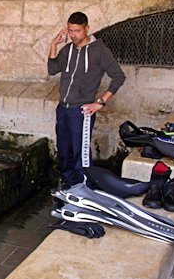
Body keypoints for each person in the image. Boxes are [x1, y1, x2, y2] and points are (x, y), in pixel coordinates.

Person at [47, 11, 125, 188]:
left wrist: (100, 102)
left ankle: (83, 188)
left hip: (81, 110)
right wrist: (54, 44)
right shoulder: (68, 49)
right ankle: (68, 183)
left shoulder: (100, 51)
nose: (73, 35)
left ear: (87, 29)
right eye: (70, 31)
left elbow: (118, 76)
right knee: (64, 149)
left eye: (77, 31)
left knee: (80, 153)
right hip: (63, 108)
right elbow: (52, 69)